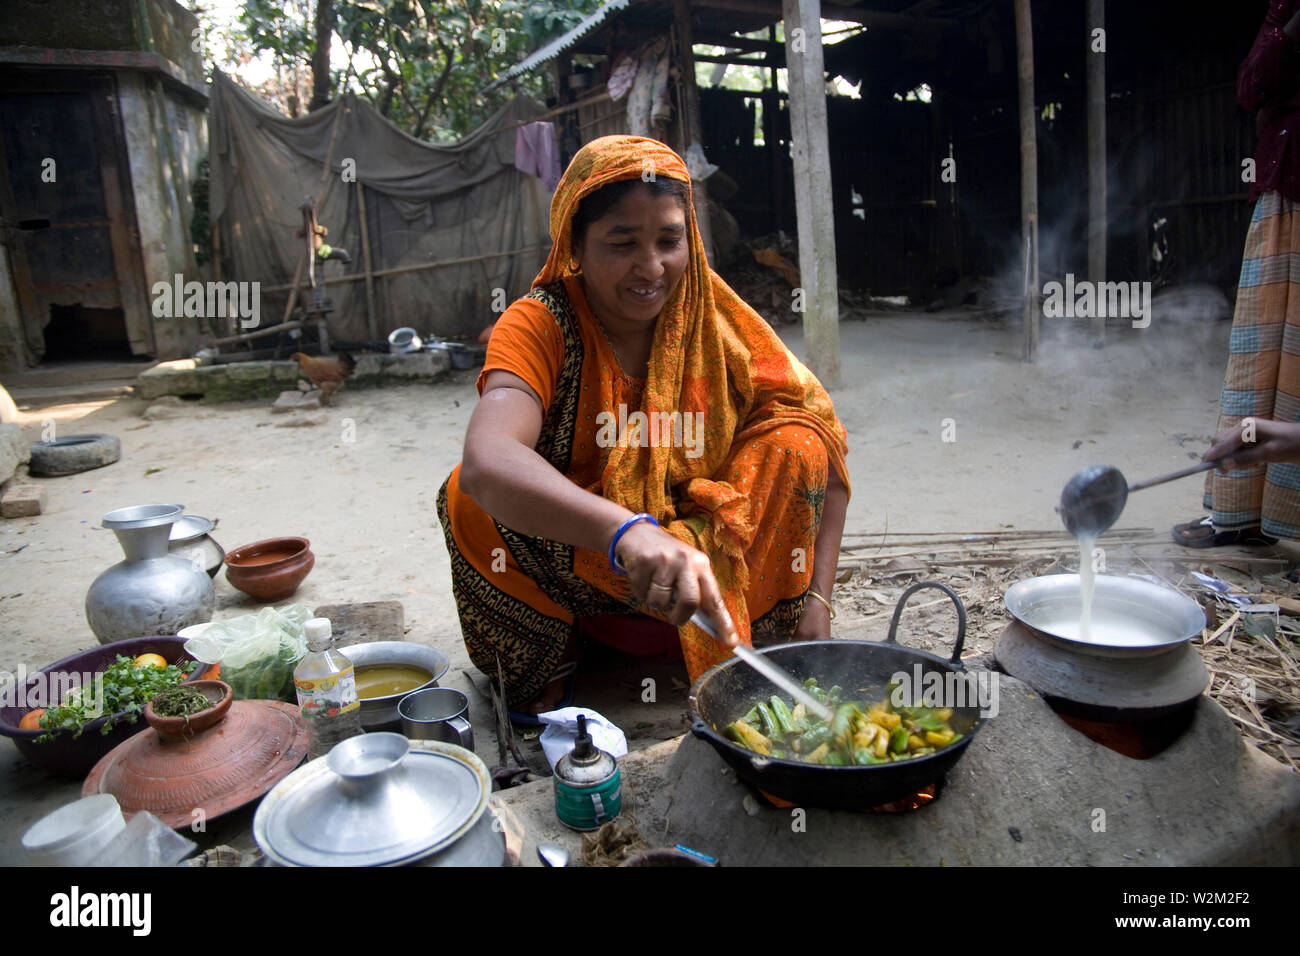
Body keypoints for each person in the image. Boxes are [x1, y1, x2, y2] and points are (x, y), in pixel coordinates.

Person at [437, 135, 850, 718]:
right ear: (575, 244)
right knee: (468, 496)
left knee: (798, 440)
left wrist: (819, 599)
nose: (651, 267)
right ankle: (554, 661)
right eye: (622, 243)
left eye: (669, 240)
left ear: (692, 238)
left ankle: (764, 634)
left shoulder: (717, 320)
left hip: (712, 584)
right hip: (602, 567)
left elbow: (822, 448)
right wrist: (627, 532)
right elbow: (488, 458)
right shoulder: (539, 324)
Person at [1175, 0, 1300, 547]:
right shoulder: (1283, 11)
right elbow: (1251, 88)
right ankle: (1243, 513)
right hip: (1287, 192)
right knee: (1263, 360)